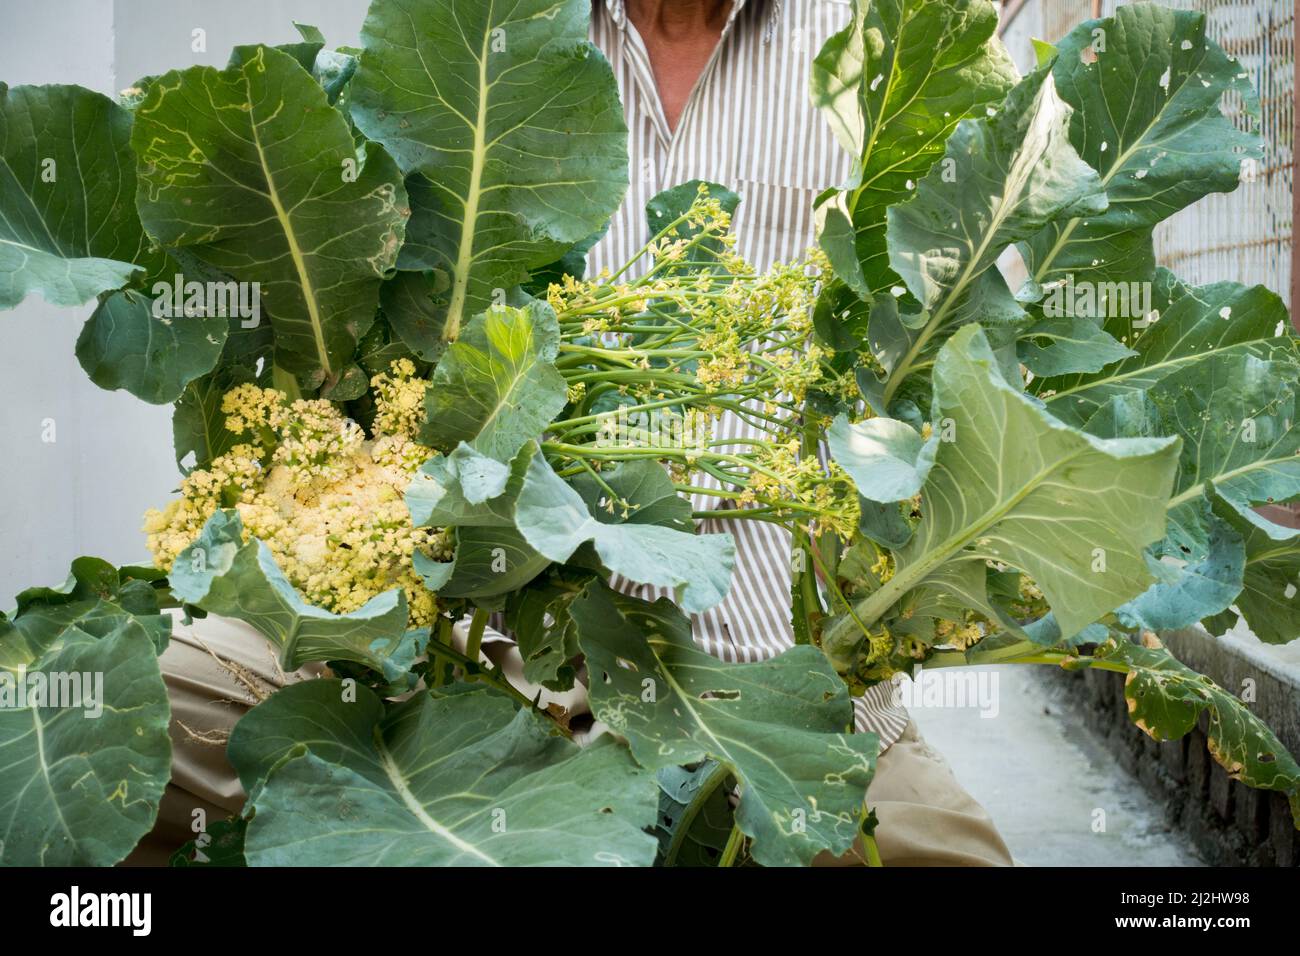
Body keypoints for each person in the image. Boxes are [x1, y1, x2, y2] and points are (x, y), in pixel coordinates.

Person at [129, 0, 1014, 868]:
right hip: (481, 664)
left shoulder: (868, 42)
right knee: (99, 708)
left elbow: (962, 368)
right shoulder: (492, 28)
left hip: (766, 682)